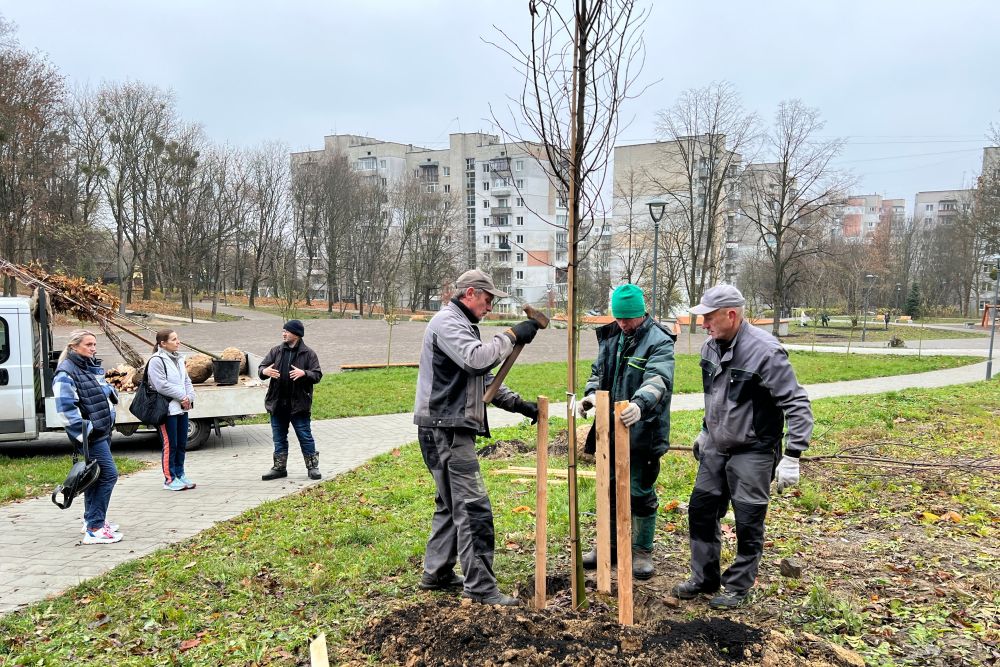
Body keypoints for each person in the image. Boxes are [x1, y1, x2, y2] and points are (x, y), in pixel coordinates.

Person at [672, 285, 813, 609]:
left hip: (754, 450)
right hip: (716, 449)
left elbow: (797, 403)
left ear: (731, 315)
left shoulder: (765, 351)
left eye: (708, 317)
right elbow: (715, 400)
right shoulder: (709, 348)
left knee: (748, 519)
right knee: (701, 510)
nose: (703, 324)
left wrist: (793, 455)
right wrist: (705, 431)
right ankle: (704, 577)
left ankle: (737, 585)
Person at [413, 269, 541, 607]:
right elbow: (476, 361)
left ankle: (437, 571)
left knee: (450, 503)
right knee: (472, 509)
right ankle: (481, 588)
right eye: (487, 300)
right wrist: (512, 335)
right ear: (470, 293)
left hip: (443, 427)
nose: (488, 307)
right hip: (447, 430)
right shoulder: (447, 323)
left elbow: (479, 381)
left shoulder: (462, 326)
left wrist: (519, 405)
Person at [578, 284, 676, 579]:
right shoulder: (611, 336)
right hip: (609, 429)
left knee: (639, 491)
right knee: (607, 489)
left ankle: (641, 550)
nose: (622, 324)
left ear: (641, 313)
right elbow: (598, 372)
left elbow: (659, 378)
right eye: (619, 318)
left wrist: (640, 404)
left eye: (628, 319)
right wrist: (591, 394)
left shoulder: (658, 340)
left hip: (643, 430)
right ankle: (607, 546)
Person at [53, 330, 123, 545]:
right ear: (74, 347)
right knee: (109, 475)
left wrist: (109, 391)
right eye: (89, 344)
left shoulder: (86, 367)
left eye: (94, 344)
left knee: (94, 477)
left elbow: (92, 393)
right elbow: (65, 408)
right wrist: (86, 431)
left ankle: (90, 519)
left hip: (102, 430)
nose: (93, 348)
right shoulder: (66, 372)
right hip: (91, 436)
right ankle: (95, 529)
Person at [258, 320, 324, 481]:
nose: (283, 333)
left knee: (305, 436)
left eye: (286, 331)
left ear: (297, 334)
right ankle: (279, 468)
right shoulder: (276, 351)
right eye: (283, 331)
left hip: (299, 405)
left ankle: (312, 467)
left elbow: (317, 375)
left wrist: (305, 374)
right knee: (278, 438)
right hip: (277, 403)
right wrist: (265, 371)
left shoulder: (308, 354)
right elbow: (261, 369)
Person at [147, 329, 196, 491]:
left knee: (182, 443)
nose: (178, 342)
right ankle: (169, 479)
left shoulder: (179, 359)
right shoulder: (156, 360)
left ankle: (180, 474)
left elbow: (186, 380)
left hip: (182, 408)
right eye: (174, 339)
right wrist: (183, 396)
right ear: (163, 343)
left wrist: (189, 396)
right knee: (171, 444)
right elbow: (161, 385)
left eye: (177, 338)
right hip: (167, 410)